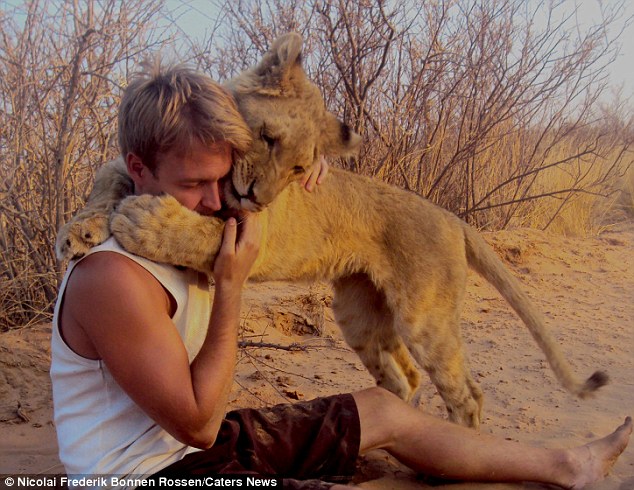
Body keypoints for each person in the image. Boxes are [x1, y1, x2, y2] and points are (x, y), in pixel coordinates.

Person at [50, 62, 631, 490]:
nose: (218, 201)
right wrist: (229, 288)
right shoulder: (112, 278)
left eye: (222, 180)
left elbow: (250, 152)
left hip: (183, 444)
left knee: (386, 409)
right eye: (193, 186)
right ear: (136, 168)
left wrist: (299, 154)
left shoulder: (195, 201)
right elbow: (200, 424)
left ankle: (564, 465)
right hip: (152, 474)